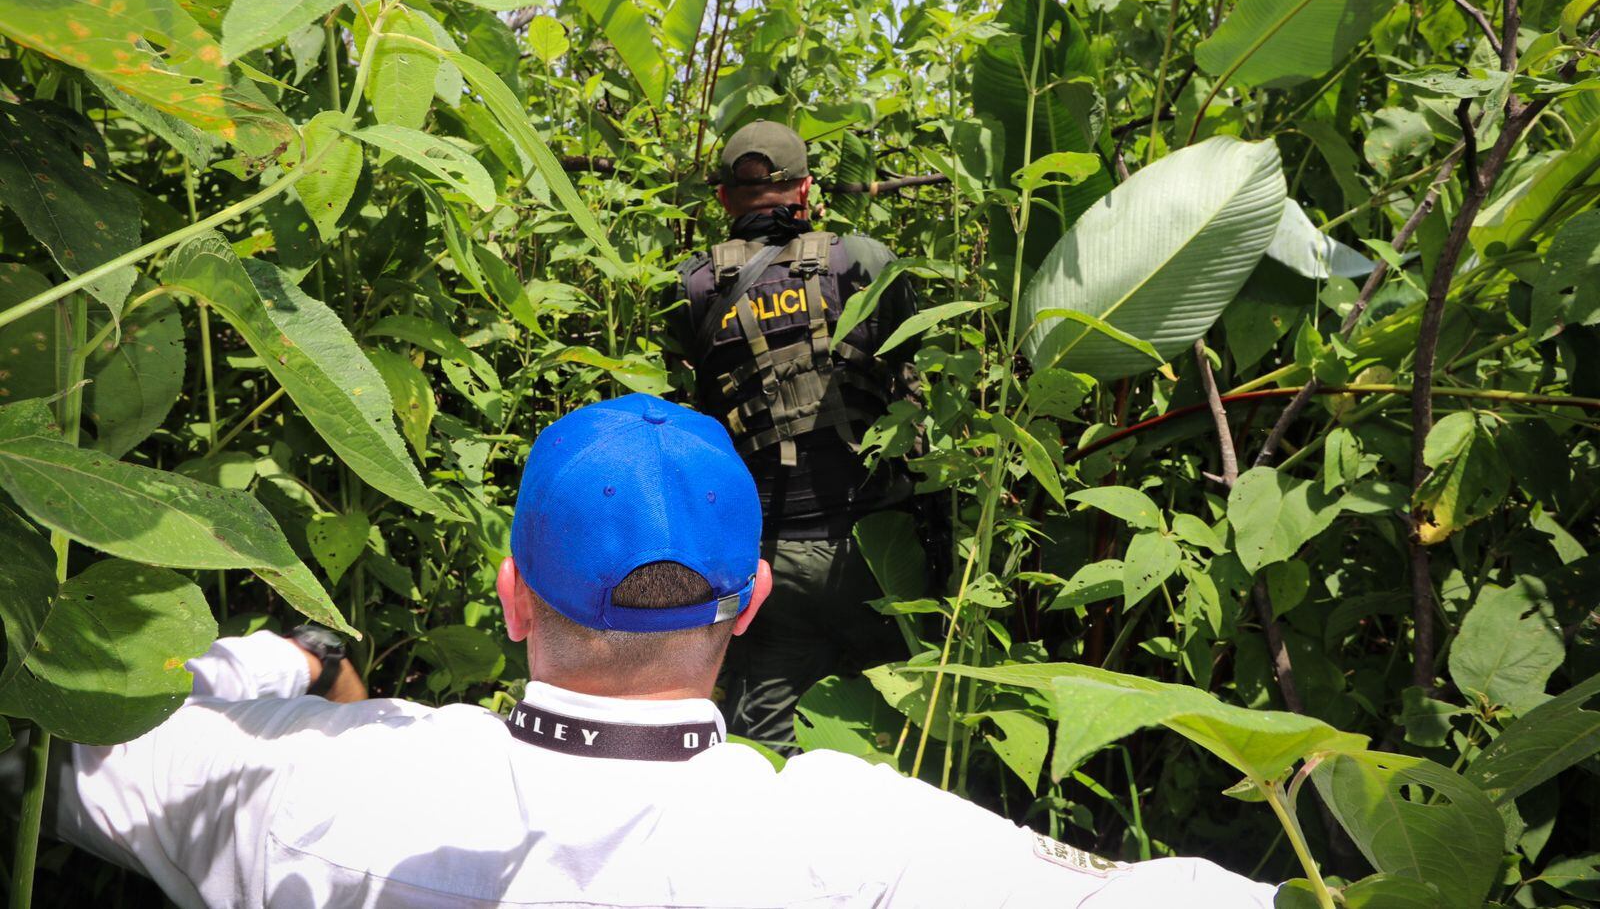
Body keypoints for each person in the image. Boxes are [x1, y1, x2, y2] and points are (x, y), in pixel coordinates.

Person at [10, 394, 1277, 907]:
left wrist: (285, 660)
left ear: (510, 595)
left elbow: (66, 733)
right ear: (748, 602)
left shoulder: (314, 788)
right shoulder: (861, 844)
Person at [662, 120, 922, 748]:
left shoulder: (693, 287)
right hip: (879, 545)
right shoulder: (862, 261)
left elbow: (687, 421)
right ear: (805, 190)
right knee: (895, 728)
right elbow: (919, 375)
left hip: (769, 555)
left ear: (724, 198)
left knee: (766, 746)